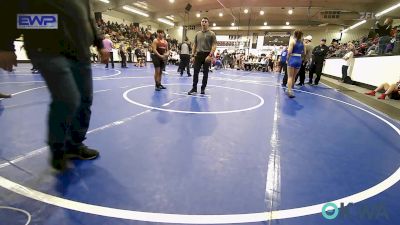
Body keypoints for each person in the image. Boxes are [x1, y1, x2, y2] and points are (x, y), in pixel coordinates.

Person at [0, 0, 109, 171]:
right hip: (47, 48)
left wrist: (100, 42)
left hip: (80, 52)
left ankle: (74, 145)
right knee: (68, 99)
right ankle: (58, 149)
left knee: (85, 100)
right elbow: (9, 6)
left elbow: (88, 16)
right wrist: (4, 44)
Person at [188, 17, 217, 95]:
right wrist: (193, 55)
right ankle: (194, 88)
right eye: (202, 21)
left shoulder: (212, 34)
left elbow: (214, 45)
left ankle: (203, 88)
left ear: (208, 23)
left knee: (205, 73)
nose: (204, 22)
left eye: (205, 21)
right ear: (201, 23)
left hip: (207, 54)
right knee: (195, 72)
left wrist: (210, 55)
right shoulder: (197, 34)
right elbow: (195, 45)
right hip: (198, 54)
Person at [286, 30, 305, 98]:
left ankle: (289, 91)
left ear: (294, 35)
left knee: (290, 77)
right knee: (294, 77)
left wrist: (287, 59)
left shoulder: (292, 41)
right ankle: (291, 89)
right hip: (299, 59)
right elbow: (304, 53)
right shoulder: (302, 43)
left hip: (292, 59)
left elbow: (289, 52)